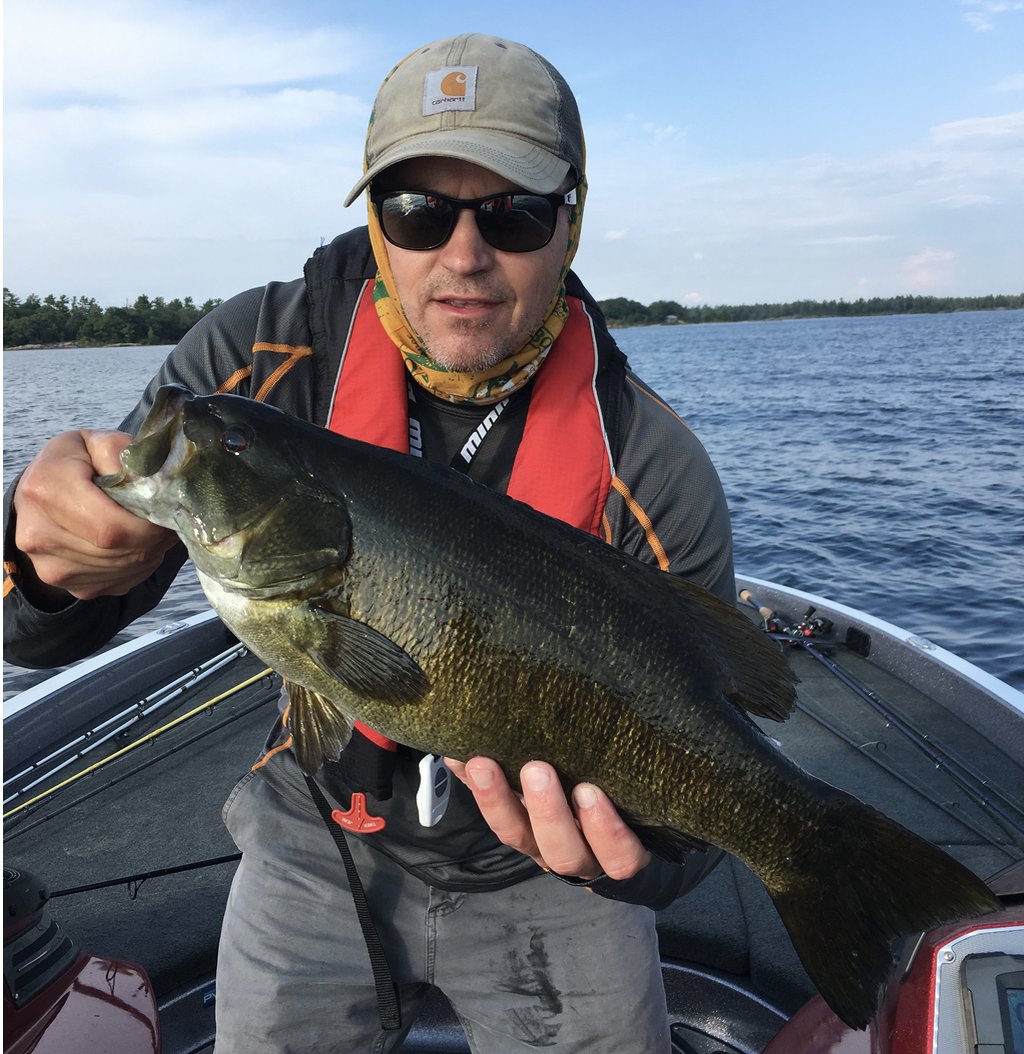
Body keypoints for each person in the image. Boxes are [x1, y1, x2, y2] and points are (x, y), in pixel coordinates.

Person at [4, 33, 735, 1053]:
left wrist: (628, 858)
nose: (464, 254)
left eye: (514, 212)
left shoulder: (655, 471)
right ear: (376, 221)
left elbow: (699, 804)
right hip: (312, 829)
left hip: (547, 878)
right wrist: (38, 560)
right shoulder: (245, 375)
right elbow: (32, 633)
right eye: (419, 210)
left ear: (570, 221)